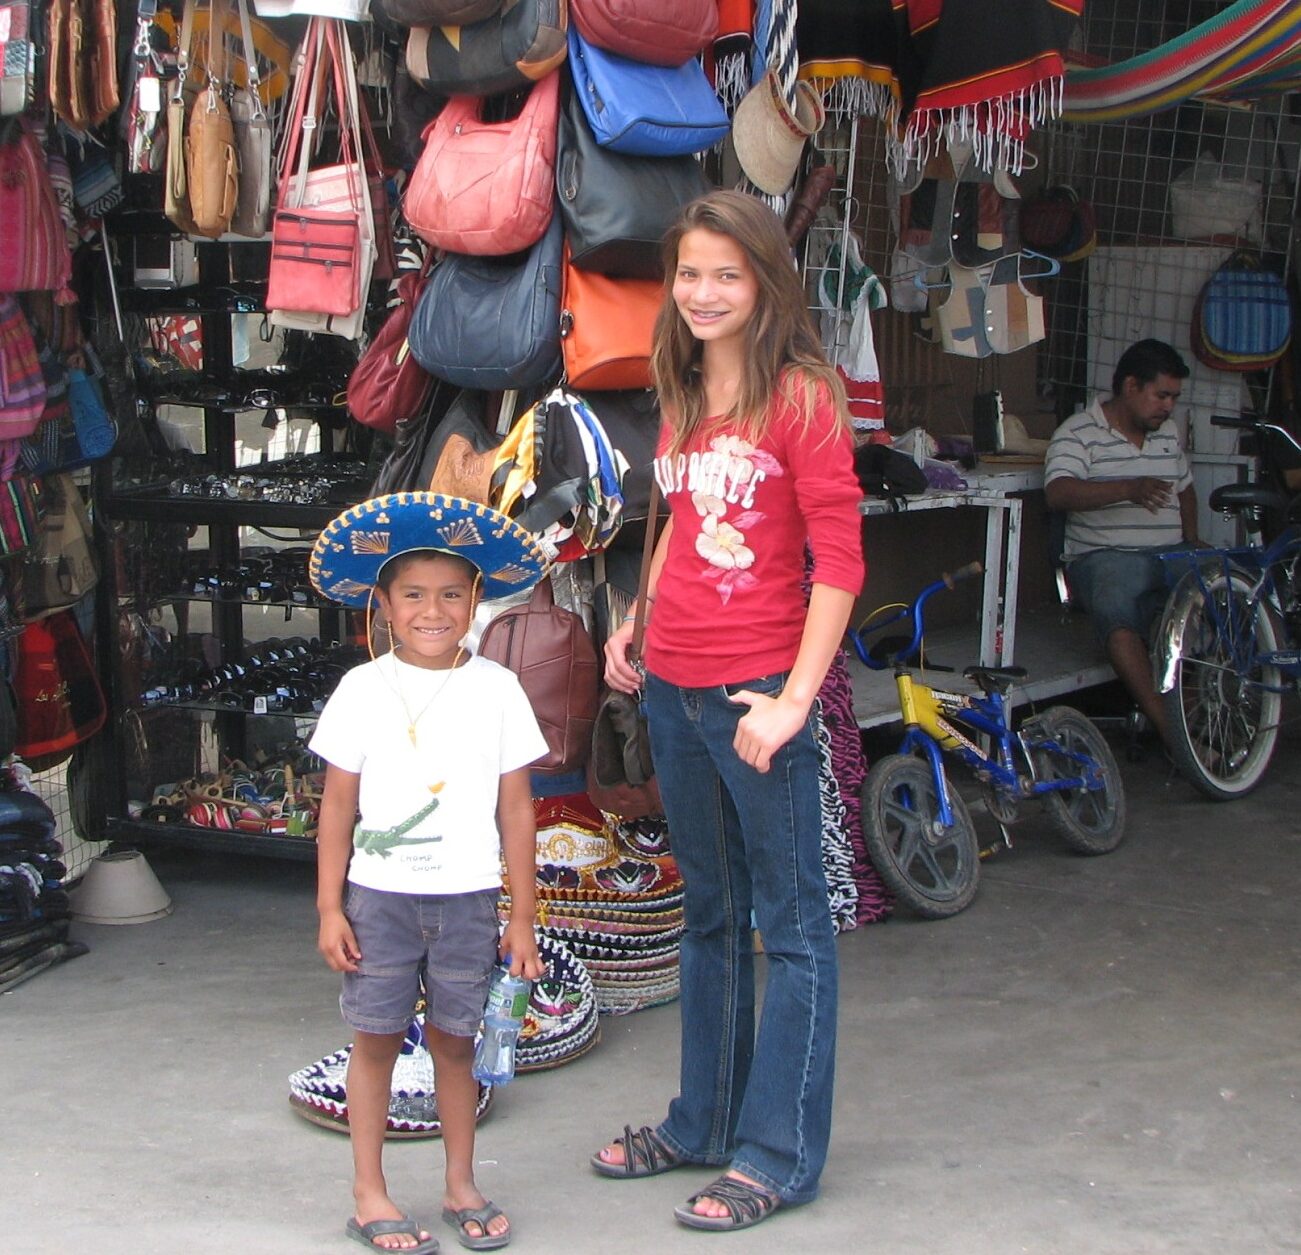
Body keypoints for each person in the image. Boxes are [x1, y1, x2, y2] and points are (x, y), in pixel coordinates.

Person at [592, 190, 865, 1232]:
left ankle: (775, 1152)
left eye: (725, 274)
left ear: (764, 284)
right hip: (672, 689)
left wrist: (794, 701)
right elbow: (683, 513)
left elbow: (837, 562)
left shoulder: (802, 399)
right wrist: (638, 614)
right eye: (689, 274)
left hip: (756, 699)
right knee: (704, 915)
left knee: (789, 927)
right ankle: (699, 1121)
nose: (702, 294)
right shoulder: (682, 385)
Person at [309, 494, 551, 1254]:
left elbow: (517, 809)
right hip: (378, 899)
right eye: (412, 594)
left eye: (451, 593)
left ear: (475, 600)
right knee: (374, 1040)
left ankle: (459, 1180)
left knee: (455, 1040)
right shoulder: (361, 689)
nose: (432, 610)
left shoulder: (498, 688)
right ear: (383, 603)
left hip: (470, 898)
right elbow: (336, 807)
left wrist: (520, 915)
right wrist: (328, 907)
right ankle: (369, 1189)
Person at [1044, 338, 1202, 745]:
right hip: (1105, 556)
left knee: (1229, 593)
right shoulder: (1078, 433)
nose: (1168, 406)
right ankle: (1176, 736)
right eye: (1161, 395)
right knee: (1119, 620)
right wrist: (1127, 488)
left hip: (1170, 554)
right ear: (1130, 386)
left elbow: (1185, 489)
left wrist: (1192, 538)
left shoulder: (1166, 434)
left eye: (1174, 397)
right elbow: (1058, 493)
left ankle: (1216, 710)